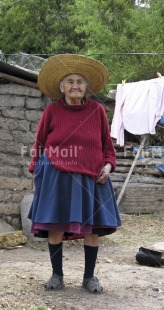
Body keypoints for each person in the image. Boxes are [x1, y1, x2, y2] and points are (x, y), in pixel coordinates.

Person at [28, 54, 121, 294]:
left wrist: (109, 166)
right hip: (56, 175)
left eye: (80, 81)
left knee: (93, 228)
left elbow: (107, 148)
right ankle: (57, 275)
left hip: (92, 177)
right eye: (69, 81)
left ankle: (89, 277)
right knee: (55, 226)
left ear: (86, 87)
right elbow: (38, 144)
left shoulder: (98, 111)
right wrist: (36, 173)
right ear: (61, 87)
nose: (75, 86)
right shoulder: (51, 111)